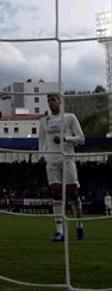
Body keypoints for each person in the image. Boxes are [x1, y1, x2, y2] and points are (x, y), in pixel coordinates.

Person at [38, 93, 86, 241]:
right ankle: (59, 231)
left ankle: (79, 225)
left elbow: (81, 138)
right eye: (49, 100)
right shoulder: (44, 120)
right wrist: (41, 155)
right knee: (56, 193)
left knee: (73, 192)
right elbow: (41, 140)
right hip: (51, 160)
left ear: (60, 101)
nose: (51, 103)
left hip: (67, 158)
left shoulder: (70, 117)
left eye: (53, 100)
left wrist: (66, 138)